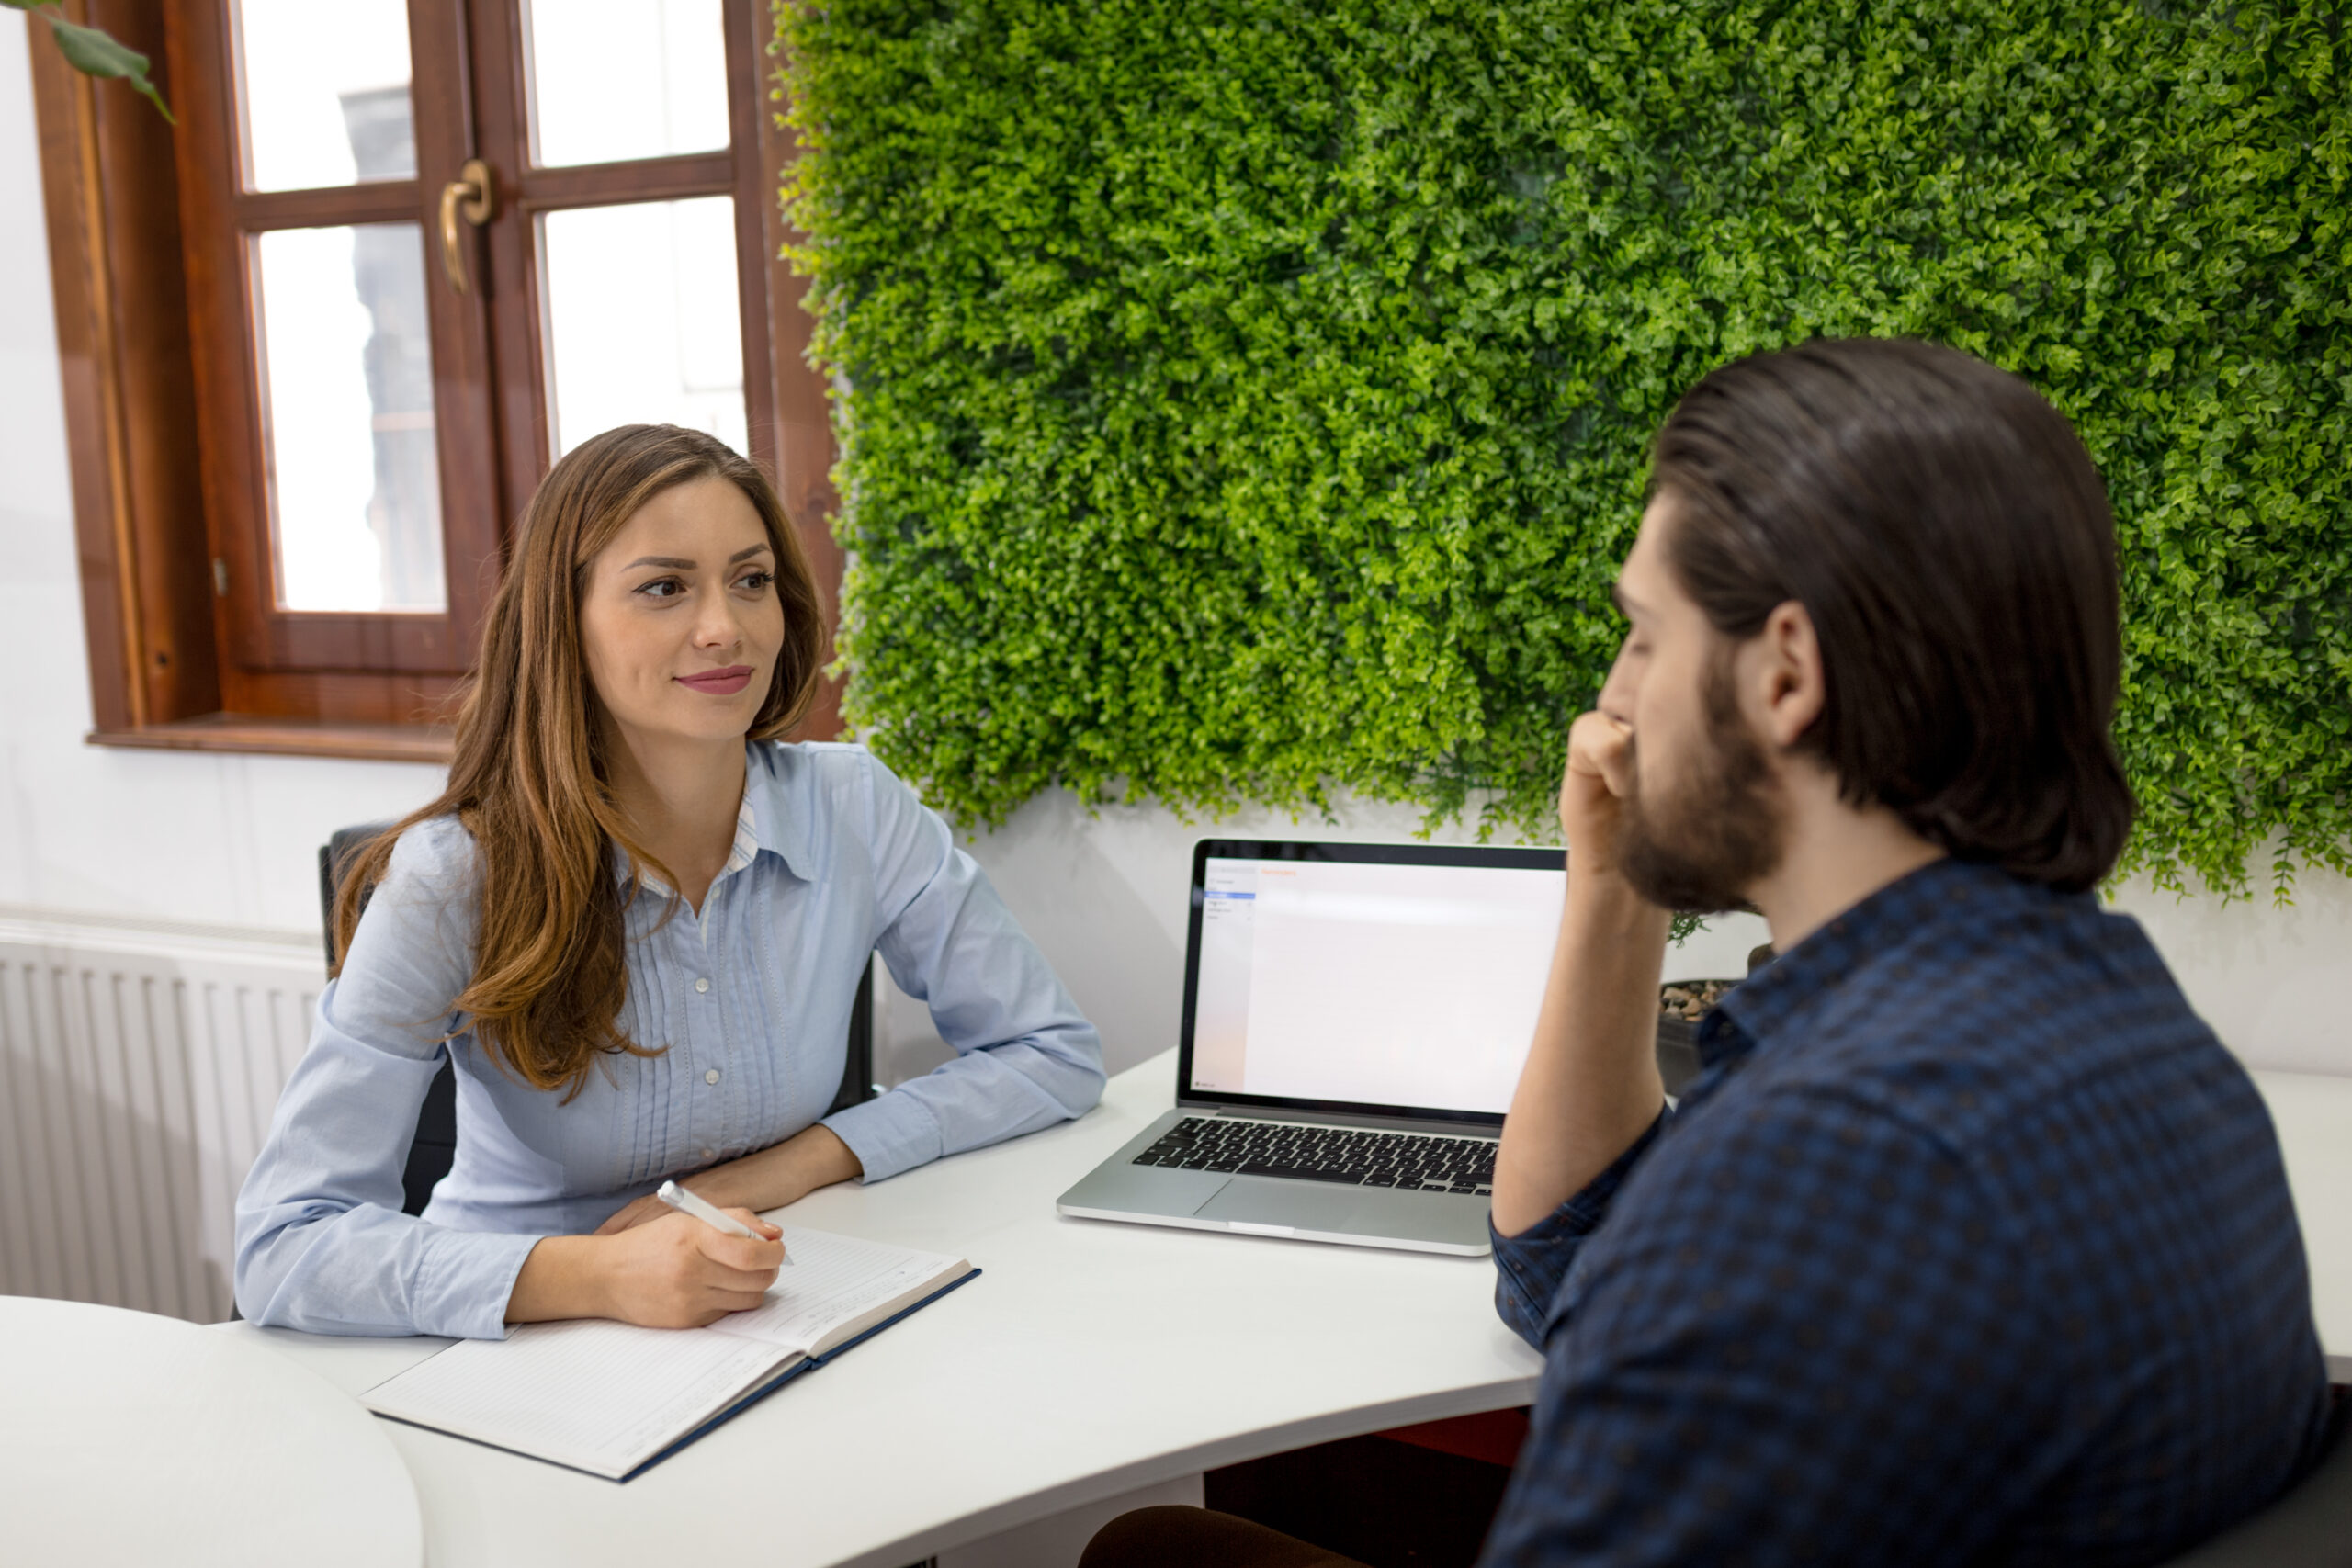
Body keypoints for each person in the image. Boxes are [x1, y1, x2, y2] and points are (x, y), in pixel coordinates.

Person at [1082, 338, 2335, 1567]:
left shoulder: (1809, 1170)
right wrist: (1614, 882)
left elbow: (1684, 1262)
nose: (1616, 701)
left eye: (1645, 633)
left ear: (1786, 671)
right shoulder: (2136, 1039)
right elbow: (1562, 1273)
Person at [236, 423, 1104, 1338]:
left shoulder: (854, 805)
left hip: (768, 1308)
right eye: (663, 587)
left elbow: (1050, 1053)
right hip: (517, 1346)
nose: (724, 627)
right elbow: (282, 1246)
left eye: (751, 579)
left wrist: (786, 1168)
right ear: (563, 622)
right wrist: (598, 1276)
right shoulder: (456, 877)